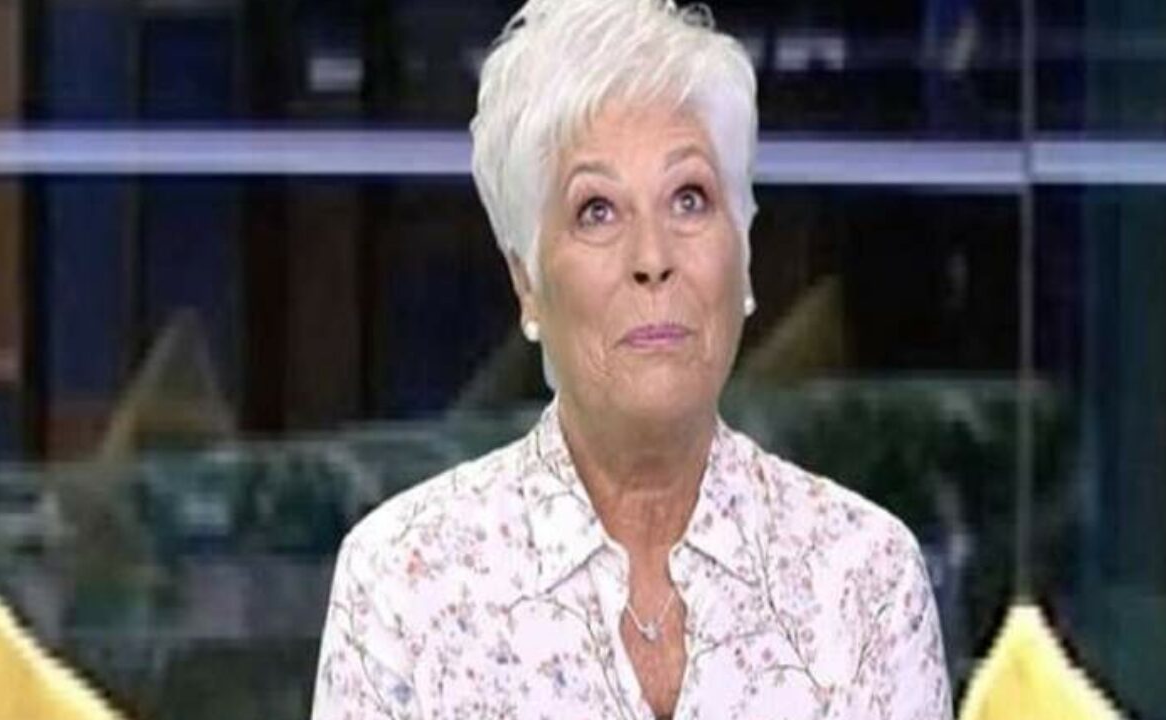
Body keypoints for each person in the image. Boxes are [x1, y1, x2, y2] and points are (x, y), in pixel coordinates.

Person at [310, 0, 952, 717]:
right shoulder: (404, 586)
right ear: (527, 283)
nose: (653, 257)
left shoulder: (865, 579)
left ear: (742, 254)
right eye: (597, 210)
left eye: (689, 199)